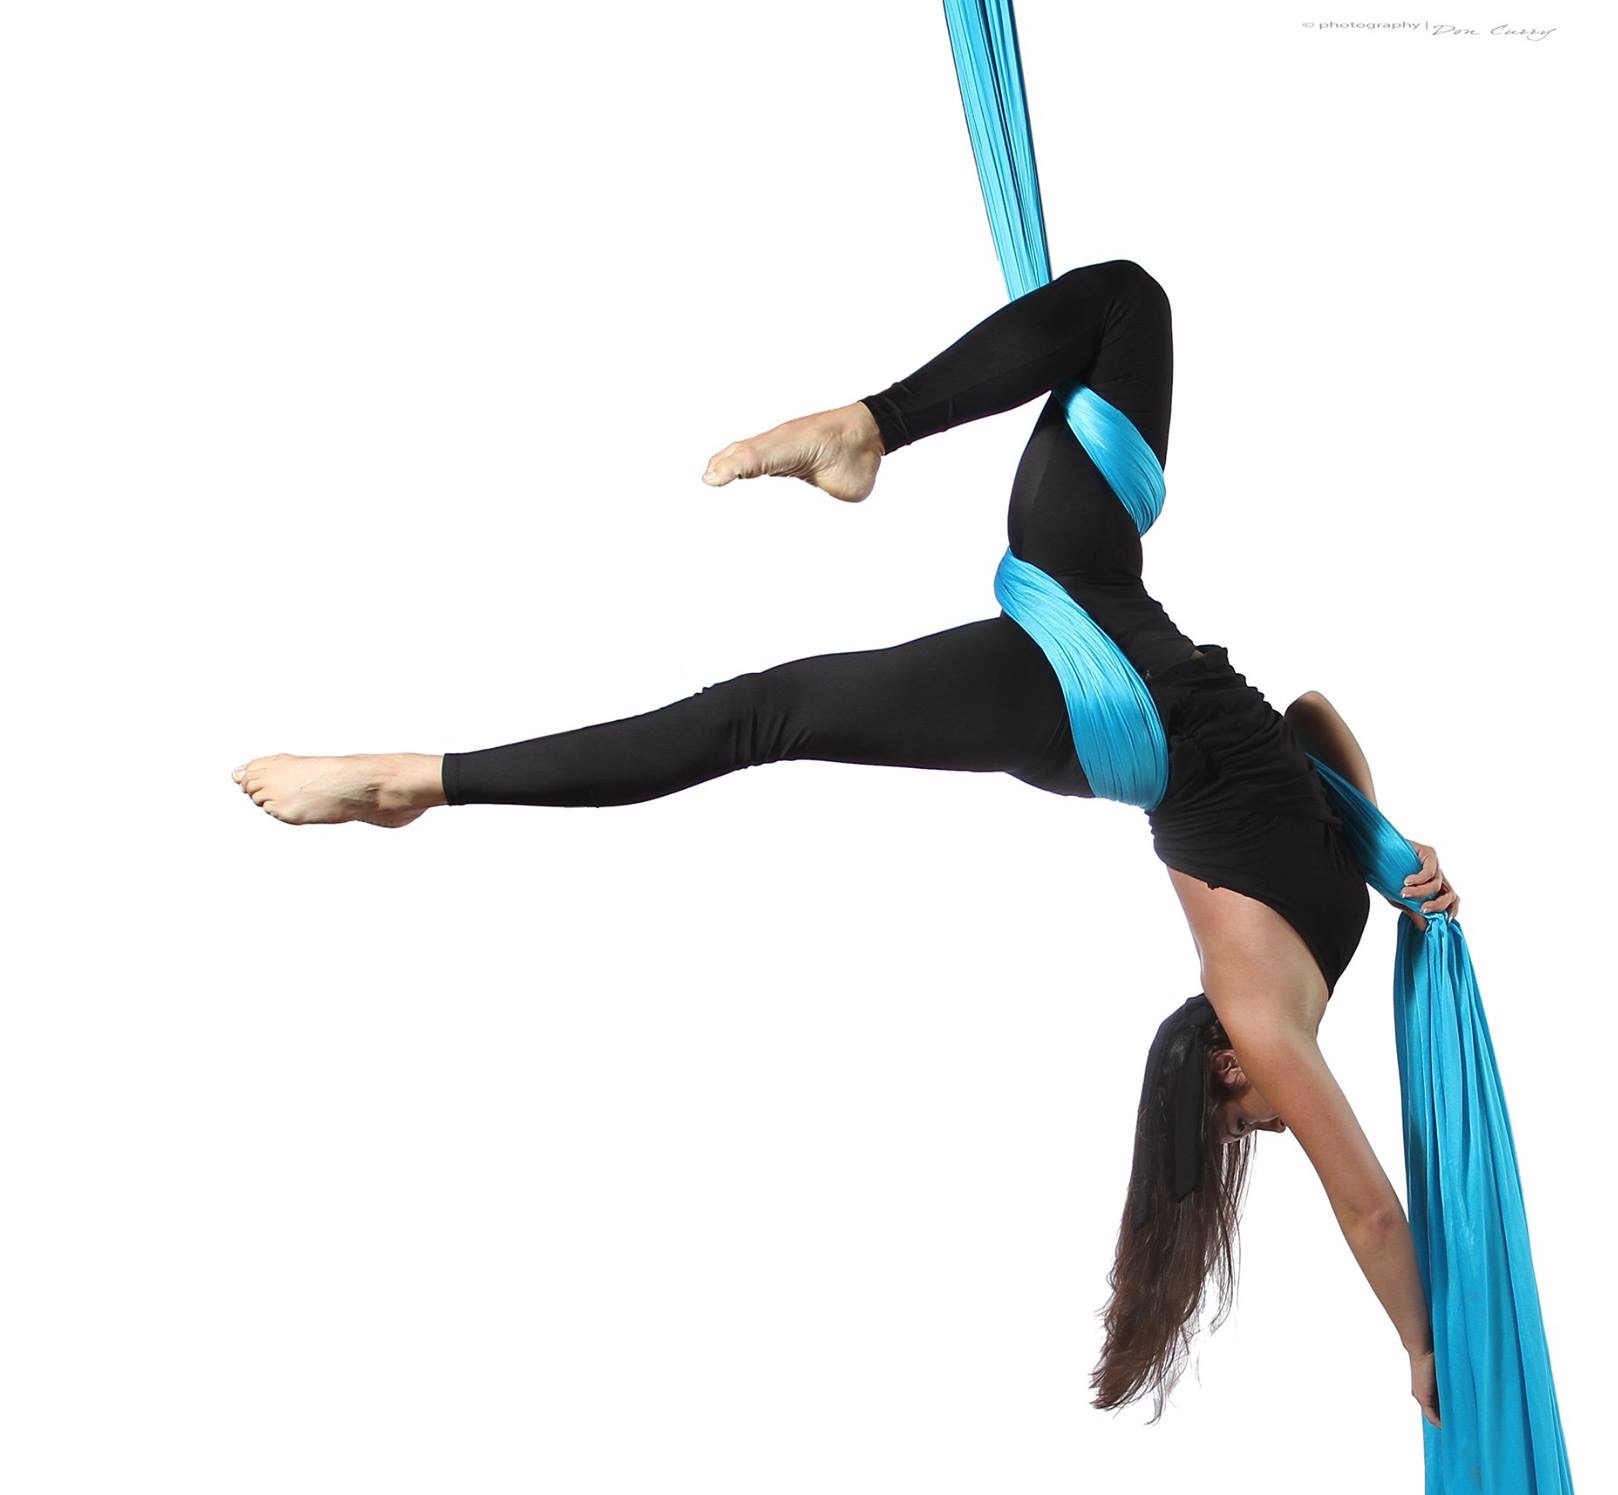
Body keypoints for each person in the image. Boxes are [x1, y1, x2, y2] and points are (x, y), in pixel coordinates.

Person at [229, 259, 1458, 1427]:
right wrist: (1391, 846)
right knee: (1121, 304)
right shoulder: (1314, 958)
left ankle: (413, 780)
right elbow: (1308, 725)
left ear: (1225, 1072)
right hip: (1107, 608)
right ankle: (864, 428)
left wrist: (1417, 1337)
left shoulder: (1263, 1003)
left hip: (1086, 703)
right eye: (1259, 1129)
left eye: (1244, 1122)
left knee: (764, 714)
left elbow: (1365, 1206)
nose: (1275, 1120)